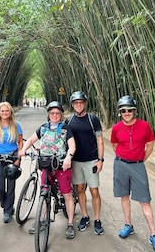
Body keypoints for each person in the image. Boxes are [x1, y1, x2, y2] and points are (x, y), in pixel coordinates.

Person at [110, 95, 155, 252]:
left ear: (134, 111)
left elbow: (150, 146)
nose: (126, 113)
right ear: (120, 112)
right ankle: (128, 225)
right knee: (124, 196)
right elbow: (114, 145)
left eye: (129, 110)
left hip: (138, 166)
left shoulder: (144, 126)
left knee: (145, 200)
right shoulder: (116, 128)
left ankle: (153, 234)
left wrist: (139, 159)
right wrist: (125, 158)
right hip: (120, 165)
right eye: (123, 111)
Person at [19, 101, 76, 239]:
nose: (54, 115)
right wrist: (23, 150)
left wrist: (68, 157)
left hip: (62, 165)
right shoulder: (43, 128)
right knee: (44, 193)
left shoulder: (66, 129)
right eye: (52, 113)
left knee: (67, 194)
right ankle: (42, 219)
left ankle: (70, 223)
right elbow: (31, 140)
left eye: (57, 113)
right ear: (48, 115)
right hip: (46, 165)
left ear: (61, 115)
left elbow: (72, 146)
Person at [65, 91, 104, 235]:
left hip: (91, 160)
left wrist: (100, 160)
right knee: (79, 189)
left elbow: (100, 140)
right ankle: (85, 216)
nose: (78, 105)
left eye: (81, 102)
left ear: (85, 104)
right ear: (73, 105)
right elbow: (63, 139)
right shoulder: (68, 121)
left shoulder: (92, 119)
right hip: (76, 161)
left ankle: (98, 219)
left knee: (94, 190)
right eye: (76, 103)